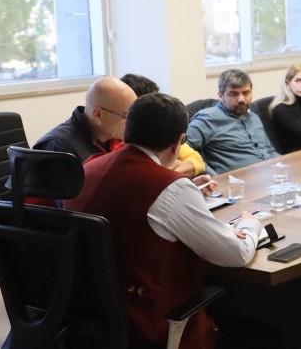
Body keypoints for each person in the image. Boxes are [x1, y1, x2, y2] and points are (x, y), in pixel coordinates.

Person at [64, 93, 262, 349]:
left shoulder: (87, 167)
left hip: (86, 318)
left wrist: (184, 193)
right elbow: (235, 254)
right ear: (178, 142)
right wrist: (250, 224)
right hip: (150, 325)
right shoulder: (169, 187)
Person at [187, 69, 279, 174]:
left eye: (246, 93)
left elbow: (270, 151)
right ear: (220, 95)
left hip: (269, 175)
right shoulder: (207, 119)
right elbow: (183, 149)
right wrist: (212, 176)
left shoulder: (254, 118)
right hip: (237, 181)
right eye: (234, 94)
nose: (241, 99)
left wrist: (285, 166)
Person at [120, 73, 205, 177]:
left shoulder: (159, 131)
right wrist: (168, 170)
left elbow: (196, 160)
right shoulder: (119, 139)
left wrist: (167, 175)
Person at [33, 77, 137, 162]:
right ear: (98, 114)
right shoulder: (58, 147)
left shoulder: (116, 138)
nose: (131, 122)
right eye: (126, 116)